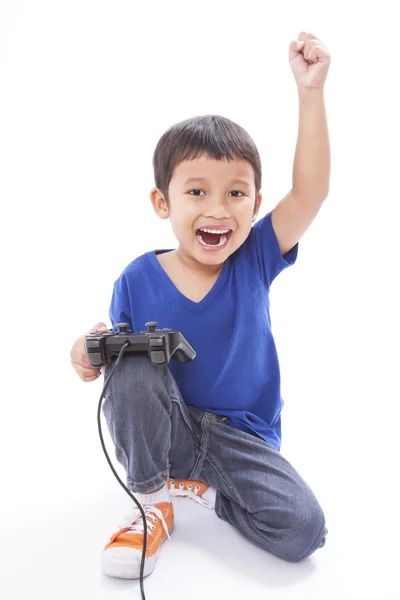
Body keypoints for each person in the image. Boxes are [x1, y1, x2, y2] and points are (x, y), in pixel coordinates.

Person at [70, 33, 331, 581]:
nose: (218, 209)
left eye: (236, 193)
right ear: (162, 201)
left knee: (304, 529)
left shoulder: (256, 255)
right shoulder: (137, 277)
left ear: (256, 204)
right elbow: (123, 383)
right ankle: (152, 501)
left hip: (240, 439)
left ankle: (204, 493)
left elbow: (309, 193)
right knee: (133, 360)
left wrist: (311, 93)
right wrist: (90, 353)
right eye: (196, 192)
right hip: (172, 433)